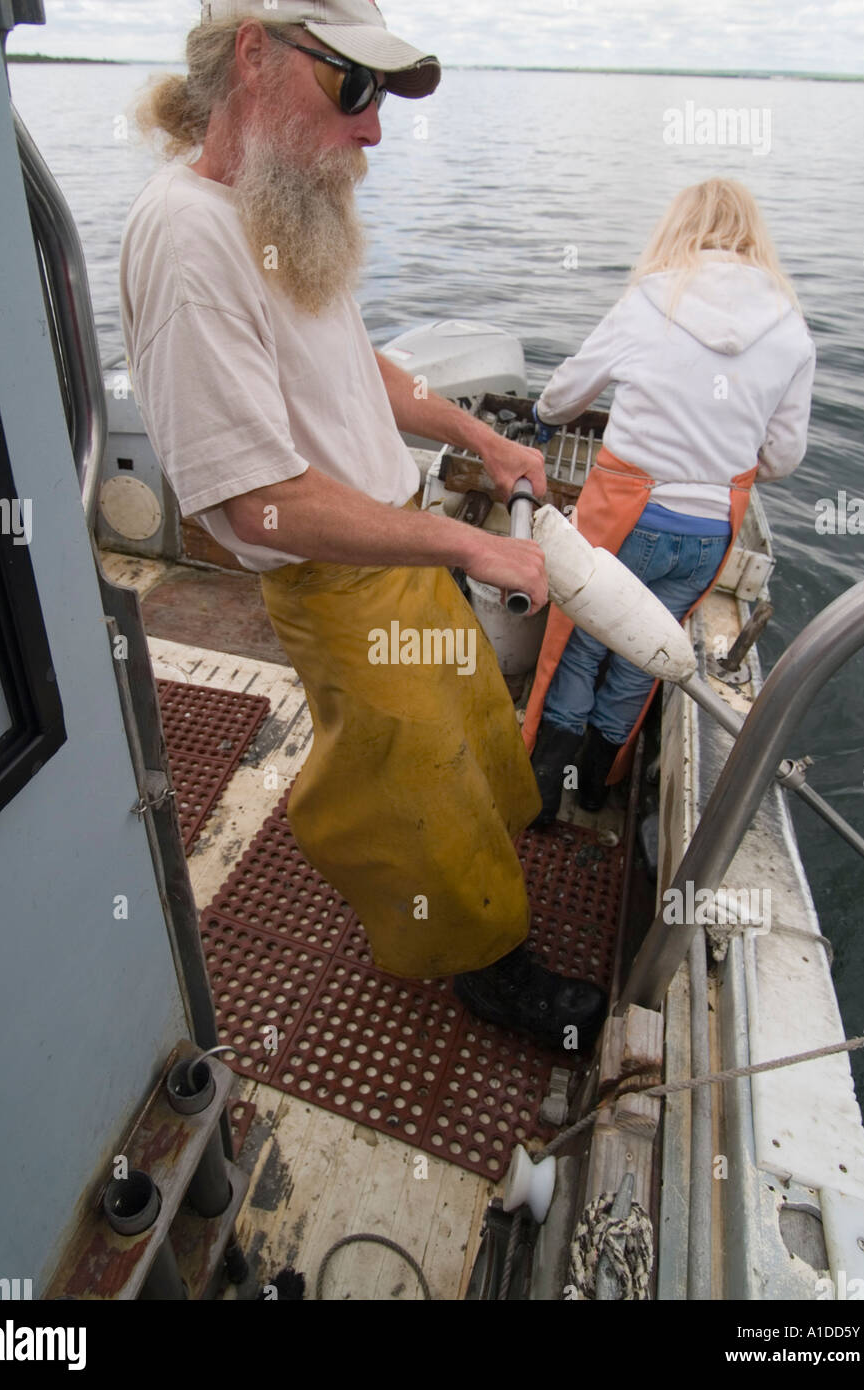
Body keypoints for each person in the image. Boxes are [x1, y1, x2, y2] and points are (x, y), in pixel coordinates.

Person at [120, 1, 607, 1052]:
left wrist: (479, 438)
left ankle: (494, 855)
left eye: (380, 94)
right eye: (354, 88)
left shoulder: (273, 204)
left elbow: (353, 363)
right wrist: (472, 544)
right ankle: (484, 966)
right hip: (341, 580)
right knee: (414, 783)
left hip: (405, 542)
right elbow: (257, 502)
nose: (375, 126)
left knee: (472, 724)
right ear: (255, 55)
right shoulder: (185, 237)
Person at [524, 178, 816, 822]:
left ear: (681, 226)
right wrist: (718, 465)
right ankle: (597, 790)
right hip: (711, 530)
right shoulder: (791, 327)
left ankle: (544, 799)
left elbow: (572, 389)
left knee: (582, 643)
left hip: (626, 513)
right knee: (643, 653)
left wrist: (545, 415)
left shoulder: (653, 297)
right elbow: (784, 457)